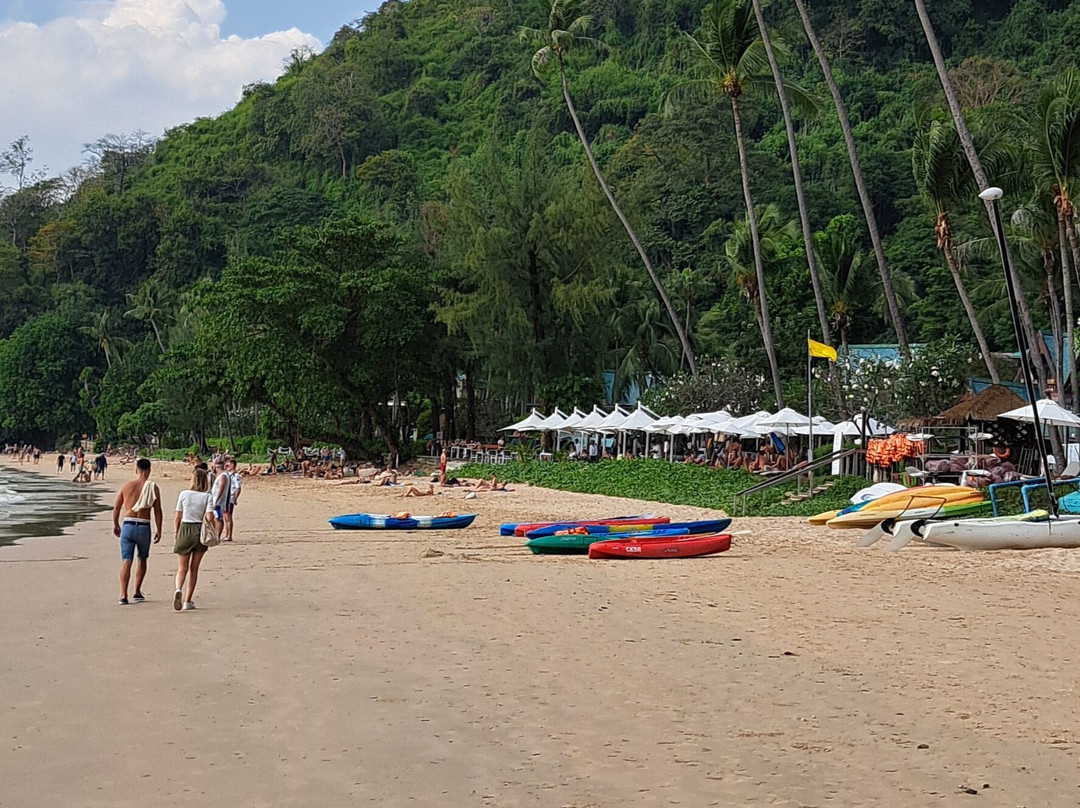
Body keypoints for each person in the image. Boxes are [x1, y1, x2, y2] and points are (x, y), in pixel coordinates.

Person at [111, 458, 163, 605]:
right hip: (144, 526)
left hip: (128, 524)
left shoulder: (127, 486)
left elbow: (116, 507)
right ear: (149, 471)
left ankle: (123, 595)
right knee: (142, 558)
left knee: (126, 560)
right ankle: (137, 591)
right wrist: (159, 529)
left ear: (136, 470)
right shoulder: (153, 488)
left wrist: (115, 524)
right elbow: (158, 510)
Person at [173, 467, 212, 611]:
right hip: (199, 530)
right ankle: (187, 601)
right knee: (194, 569)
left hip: (185, 527)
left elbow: (178, 516)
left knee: (182, 567)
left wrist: (177, 533)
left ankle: (178, 589)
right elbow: (209, 517)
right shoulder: (207, 496)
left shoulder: (184, 494)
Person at [209, 459, 231, 539]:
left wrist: (216, 500)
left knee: (218, 518)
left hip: (219, 501)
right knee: (216, 517)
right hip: (217, 500)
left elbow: (221, 488)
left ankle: (217, 535)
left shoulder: (223, 476)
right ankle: (216, 534)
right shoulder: (223, 475)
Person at [223, 457, 242, 542]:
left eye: (229, 465)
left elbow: (238, 488)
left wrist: (235, 498)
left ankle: (229, 535)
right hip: (226, 497)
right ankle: (227, 534)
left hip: (230, 497)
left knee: (228, 516)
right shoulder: (227, 474)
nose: (227, 466)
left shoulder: (235, 475)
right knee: (225, 517)